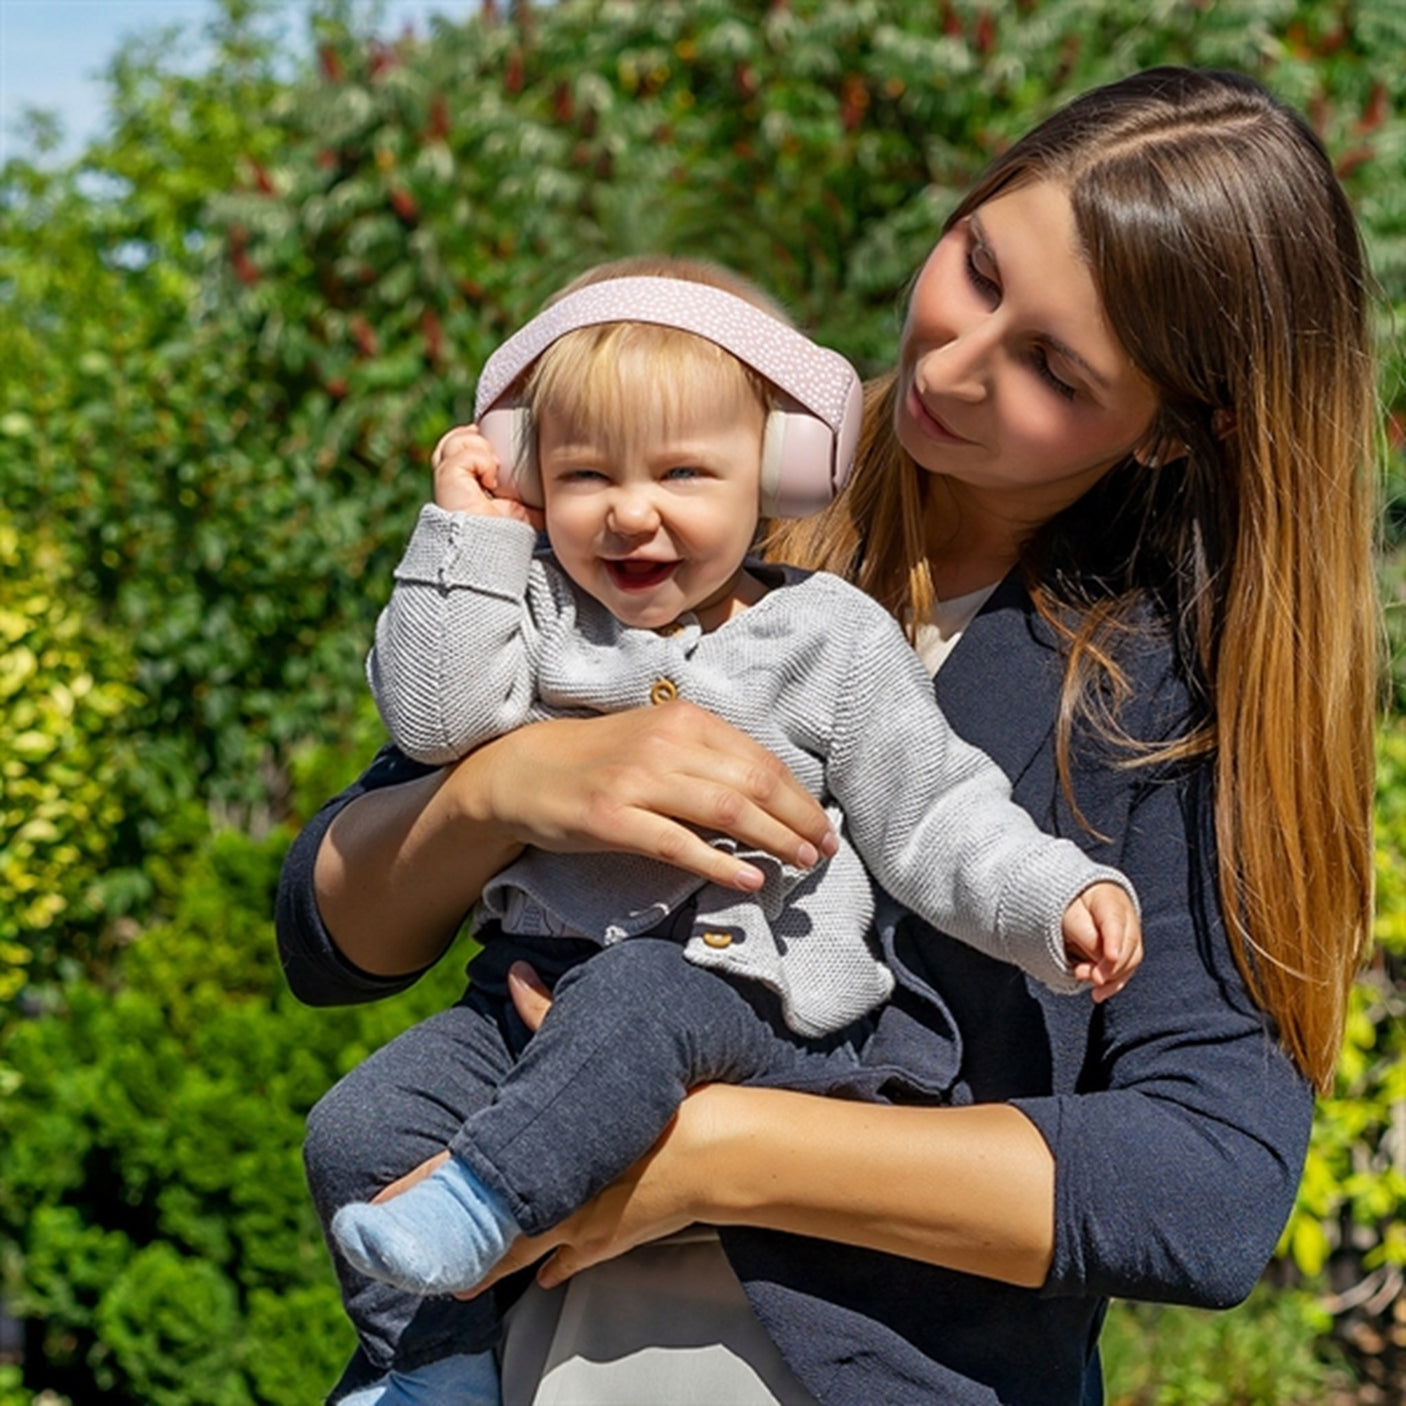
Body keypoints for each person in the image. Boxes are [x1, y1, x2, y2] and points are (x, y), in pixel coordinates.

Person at [277, 66, 1379, 1406]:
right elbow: (334, 932)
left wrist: (711, 1149)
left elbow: (1206, 1190)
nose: (953, 362)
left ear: (1162, 435)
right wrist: (505, 789)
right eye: (975, 266)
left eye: (1051, 367)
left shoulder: (1153, 703)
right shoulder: (686, 494)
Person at [326, 255, 1141, 1320]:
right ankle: (431, 1367)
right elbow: (436, 721)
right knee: (356, 1127)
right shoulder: (527, 609)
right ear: (530, 473)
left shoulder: (827, 637)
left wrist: (1055, 897)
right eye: (582, 476)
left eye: (681, 474)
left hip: (743, 995)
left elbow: (934, 810)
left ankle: (482, 1204)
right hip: (527, 990)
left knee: (634, 1000)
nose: (628, 514)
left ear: (777, 472)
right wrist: (468, 535)